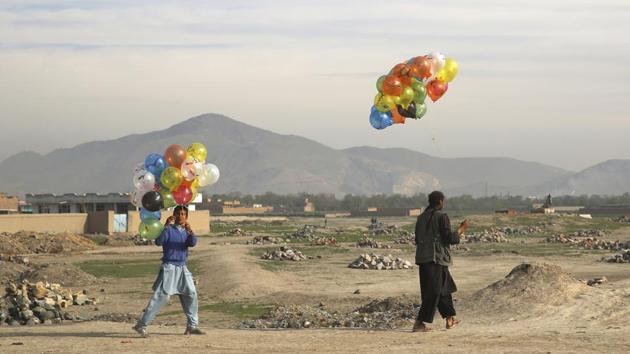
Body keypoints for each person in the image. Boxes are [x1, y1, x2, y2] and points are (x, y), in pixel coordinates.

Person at [133, 205, 204, 337]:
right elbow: (159, 242)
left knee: (191, 294)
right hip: (169, 267)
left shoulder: (186, 231)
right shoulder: (168, 230)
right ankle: (141, 325)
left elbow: (192, 243)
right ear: (174, 215)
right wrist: (165, 226)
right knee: (162, 297)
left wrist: (191, 232)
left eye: (183, 214)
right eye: (178, 213)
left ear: (186, 217)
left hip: (182, 267)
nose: (180, 216)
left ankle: (192, 325)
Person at [413, 191, 468, 332]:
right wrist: (461, 230)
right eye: (443, 201)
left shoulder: (420, 218)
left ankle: (450, 319)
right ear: (440, 202)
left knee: (444, 288)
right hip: (436, 259)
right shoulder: (442, 217)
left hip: (424, 258)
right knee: (434, 291)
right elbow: (450, 238)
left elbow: (417, 239)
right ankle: (419, 323)